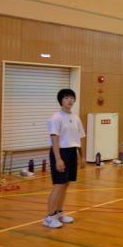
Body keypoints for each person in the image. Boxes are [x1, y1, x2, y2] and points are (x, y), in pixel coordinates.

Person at [44, 89, 86, 228]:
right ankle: (49, 217)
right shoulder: (56, 118)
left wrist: (83, 157)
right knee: (58, 185)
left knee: (66, 184)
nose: (70, 100)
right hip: (60, 152)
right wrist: (58, 159)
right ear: (61, 100)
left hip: (72, 152)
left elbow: (80, 138)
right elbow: (54, 139)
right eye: (66, 98)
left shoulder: (76, 118)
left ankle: (59, 213)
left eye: (72, 98)